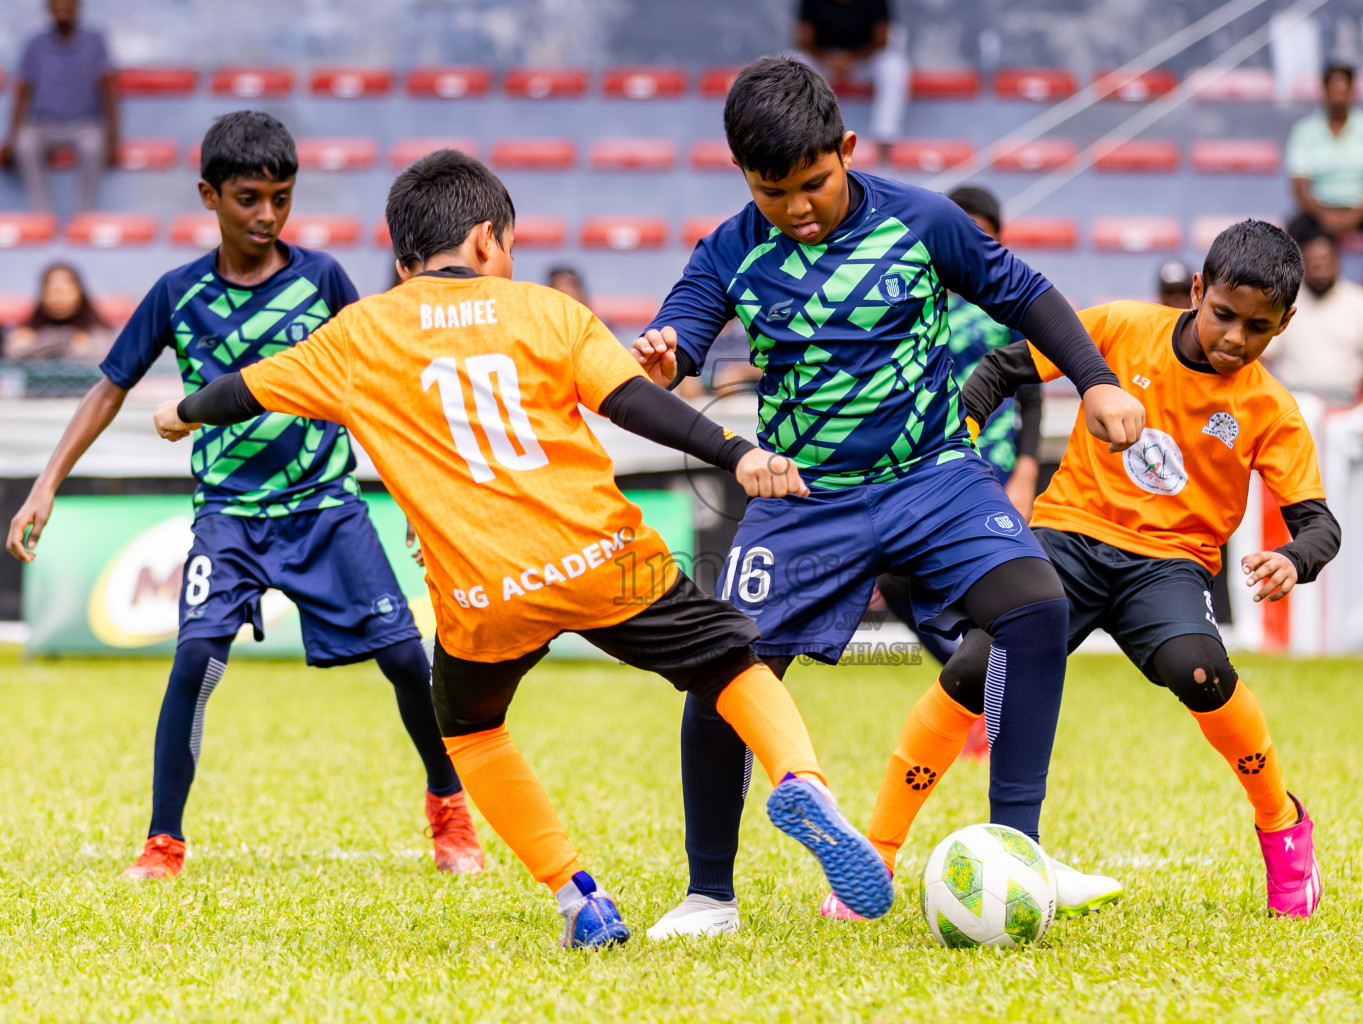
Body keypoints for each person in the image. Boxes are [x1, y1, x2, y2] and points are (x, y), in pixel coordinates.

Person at [153, 149, 896, 948]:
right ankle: (801, 779)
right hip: (605, 558)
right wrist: (737, 454)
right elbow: (639, 405)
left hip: (482, 593)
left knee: (471, 732)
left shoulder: (359, 334)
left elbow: (245, 388)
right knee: (729, 664)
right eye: (506, 244)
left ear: (405, 263)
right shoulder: (545, 310)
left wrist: (185, 413)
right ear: (483, 241)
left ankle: (579, 894)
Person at [630, 57, 1146, 940]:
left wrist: (1096, 382)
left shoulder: (922, 219)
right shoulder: (730, 247)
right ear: (742, 177)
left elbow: (1024, 293)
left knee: (1033, 607)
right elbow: (684, 321)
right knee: (723, 665)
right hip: (804, 494)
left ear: (848, 150)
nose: (796, 207)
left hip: (934, 475)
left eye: (814, 184)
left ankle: (1015, 849)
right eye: (772, 190)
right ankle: (710, 894)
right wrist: (665, 350)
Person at [5, 111, 485, 882]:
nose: (268, 215)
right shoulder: (178, 292)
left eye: (282, 198)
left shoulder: (324, 279)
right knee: (194, 658)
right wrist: (45, 485)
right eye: (250, 198)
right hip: (228, 517)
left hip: (327, 507)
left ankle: (449, 809)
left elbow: (381, 392)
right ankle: (163, 843)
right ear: (209, 195)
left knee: (403, 657)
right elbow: (108, 388)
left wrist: (425, 502)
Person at [821, 221, 1338, 922]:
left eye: (1259, 328)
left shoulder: (1269, 406)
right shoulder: (1124, 327)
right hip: (1066, 537)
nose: (1236, 338)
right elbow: (1003, 369)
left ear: (1285, 324)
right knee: (975, 669)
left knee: (1200, 671)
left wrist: (1292, 557)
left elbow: (1319, 525)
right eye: (1224, 314)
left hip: (1170, 564)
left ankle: (1282, 826)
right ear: (1196, 291)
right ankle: (876, 856)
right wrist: (955, 449)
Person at [872, 184, 1045, 753]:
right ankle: (976, 686)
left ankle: (987, 706)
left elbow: (1032, 392)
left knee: (985, 589)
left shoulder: (1006, 299)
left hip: (987, 462)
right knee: (896, 579)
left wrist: (1025, 471)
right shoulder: (906, 294)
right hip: (917, 463)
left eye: (979, 231)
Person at [1284, 64, 1363, 292]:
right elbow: (1299, 188)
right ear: (1324, 92)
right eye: (1333, 90)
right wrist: (1324, 214)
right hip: (1321, 208)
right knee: (1295, 227)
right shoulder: (1304, 131)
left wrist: (1357, 214)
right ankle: (1305, 287)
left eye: (1343, 90)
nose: (1338, 97)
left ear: (1352, 92)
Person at [2, 0, 118, 215]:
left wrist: (114, 139)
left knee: (93, 144)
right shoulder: (34, 45)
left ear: (77, 9)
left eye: (68, 6)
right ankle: (43, 216)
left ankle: (83, 216)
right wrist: (11, 138)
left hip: (84, 124)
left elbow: (108, 93)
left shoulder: (95, 42)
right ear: (49, 11)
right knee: (24, 143)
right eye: (58, 7)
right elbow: (24, 93)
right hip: (44, 125)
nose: (63, 12)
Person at [1263, 228, 1363, 401]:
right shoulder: (1282, 305)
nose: (1320, 269)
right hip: (1293, 403)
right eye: (1312, 262)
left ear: (1338, 260)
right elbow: (1261, 357)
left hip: (1349, 403)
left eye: (1325, 260)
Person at [795, 0, 909, 159]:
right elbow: (803, 39)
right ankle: (796, 134)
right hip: (824, 61)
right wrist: (830, 59)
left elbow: (882, 39)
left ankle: (885, 138)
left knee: (893, 67)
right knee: (795, 65)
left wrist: (851, 60)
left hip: (864, 61)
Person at [1, 262, 113, 362]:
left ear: (79, 294)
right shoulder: (26, 331)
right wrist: (69, 341)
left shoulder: (96, 331)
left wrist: (39, 344)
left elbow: (101, 354)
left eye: (65, 292)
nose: (59, 299)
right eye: (53, 292)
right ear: (43, 296)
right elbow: (13, 352)